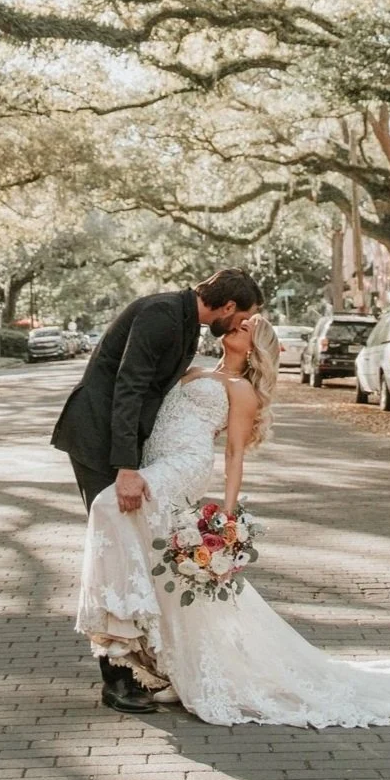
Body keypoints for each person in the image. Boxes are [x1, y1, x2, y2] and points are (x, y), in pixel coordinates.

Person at [77, 314, 390, 727]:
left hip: (184, 466)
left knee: (108, 506)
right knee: (162, 564)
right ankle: (161, 653)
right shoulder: (192, 369)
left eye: (246, 327)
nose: (235, 326)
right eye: (236, 322)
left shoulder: (241, 389)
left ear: (253, 347)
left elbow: (234, 454)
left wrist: (227, 517)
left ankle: (120, 632)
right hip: (156, 460)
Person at [51, 267, 263, 712]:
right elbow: (129, 385)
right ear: (226, 307)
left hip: (134, 451)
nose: (242, 324)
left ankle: (141, 662)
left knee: (134, 550)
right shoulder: (162, 315)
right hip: (98, 440)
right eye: (242, 316)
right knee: (116, 544)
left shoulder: (187, 324)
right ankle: (117, 678)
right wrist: (127, 467)